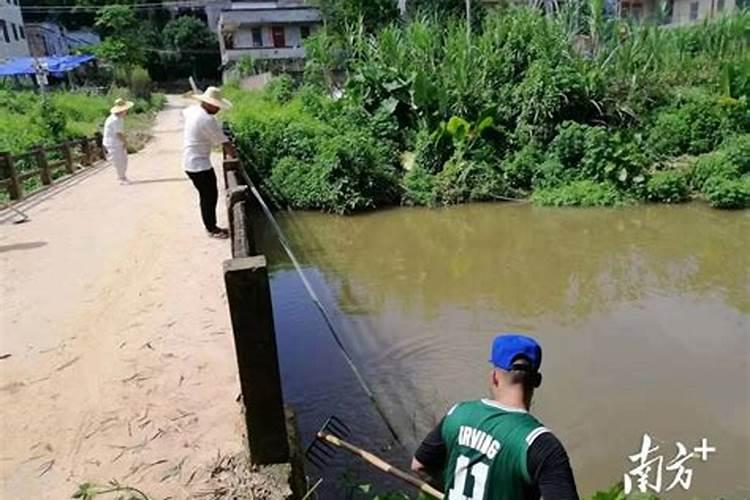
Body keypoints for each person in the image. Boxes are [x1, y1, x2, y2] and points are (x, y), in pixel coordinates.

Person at [412, 334, 579, 500]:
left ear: (494, 377)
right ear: (537, 380)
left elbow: (419, 466)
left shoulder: (457, 414)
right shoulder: (541, 445)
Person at [183, 86, 235, 239]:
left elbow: (185, 111)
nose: (218, 109)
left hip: (190, 161)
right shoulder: (206, 120)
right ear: (209, 104)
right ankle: (212, 229)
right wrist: (235, 157)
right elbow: (225, 143)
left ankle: (211, 226)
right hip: (199, 165)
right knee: (209, 196)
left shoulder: (193, 111)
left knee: (207, 195)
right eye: (217, 106)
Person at [102, 98, 133, 184]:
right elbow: (118, 134)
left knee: (123, 160)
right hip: (112, 143)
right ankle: (121, 178)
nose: (126, 111)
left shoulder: (119, 118)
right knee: (118, 160)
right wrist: (125, 141)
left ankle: (122, 176)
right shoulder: (115, 120)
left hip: (116, 142)